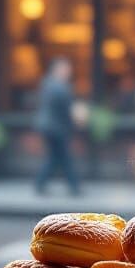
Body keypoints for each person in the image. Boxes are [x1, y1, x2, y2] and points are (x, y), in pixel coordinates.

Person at [34, 58, 81, 195]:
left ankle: (42, 184)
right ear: (57, 69)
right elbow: (66, 107)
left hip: (50, 127)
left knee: (56, 157)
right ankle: (74, 187)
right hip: (55, 128)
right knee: (62, 157)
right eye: (66, 69)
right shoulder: (58, 86)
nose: (68, 72)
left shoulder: (48, 83)